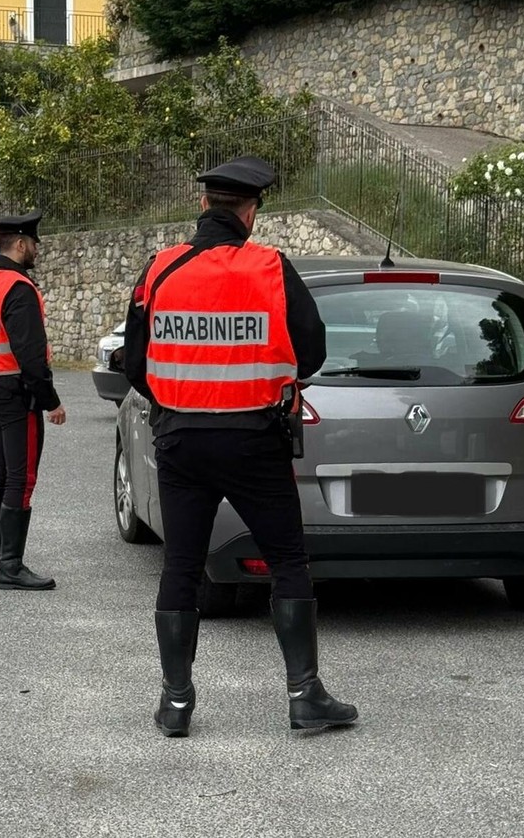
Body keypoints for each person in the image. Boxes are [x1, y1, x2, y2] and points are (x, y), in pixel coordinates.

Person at [125, 155, 358, 736]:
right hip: (255, 441)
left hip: (180, 440)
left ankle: (176, 702)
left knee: (180, 564)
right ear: (250, 211)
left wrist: (179, 396)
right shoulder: (271, 268)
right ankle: (304, 694)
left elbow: (135, 363)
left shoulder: (159, 270)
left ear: (204, 205)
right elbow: (313, 352)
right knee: (286, 561)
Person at [0, 210, 66, 591]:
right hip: (16, 393)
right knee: (21, 480)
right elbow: (30, 355)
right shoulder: (18, 288)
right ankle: (11, 564)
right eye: (35, 243)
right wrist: (51, 401)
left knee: (1, 474)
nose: (37, 249)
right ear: (22, 244)